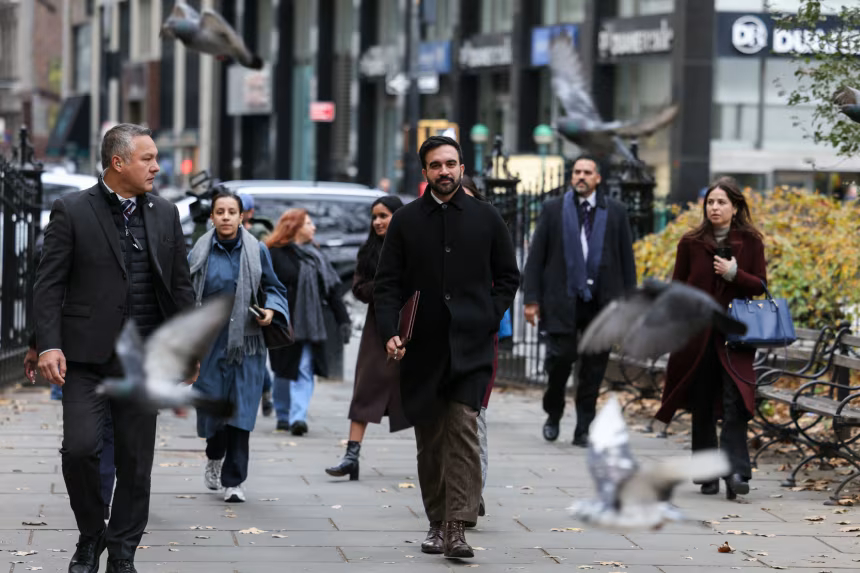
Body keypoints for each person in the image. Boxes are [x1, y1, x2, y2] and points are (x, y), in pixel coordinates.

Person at [33, 123, 195, 573]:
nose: (157, 167)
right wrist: (47, 345)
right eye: (148, 158)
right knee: (80, 450)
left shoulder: (165, 213)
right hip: (86, 358)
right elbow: (49, 284)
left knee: (136, 462)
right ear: (118, 162)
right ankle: (91, 534)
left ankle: (123, 553)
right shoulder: (72, 210)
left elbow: (180, 286)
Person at [374, 136, 519, 558]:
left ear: (461, 168)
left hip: (471, 347)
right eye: (436, 165)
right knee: (431, 440)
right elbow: (387, 284)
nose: (444, 171)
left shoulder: (486, 217)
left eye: (451, 164)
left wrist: (488, 315)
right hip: (422, 348)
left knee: (463, 431)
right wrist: (390, 331)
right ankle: (436, 523)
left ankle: (457, 527)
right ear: (424, 172)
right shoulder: (405, 221)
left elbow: (508, 277)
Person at [655, 176, 767, 500]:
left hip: (736, 334)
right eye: (711, 202)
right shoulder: (691, 242)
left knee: (736, 402)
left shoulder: (751, 241)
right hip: (698, 334)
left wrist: (734, 274)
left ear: (735, 207)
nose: (715, 208)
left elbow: (760, 285)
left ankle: (736, 472)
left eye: (721, 202)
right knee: (702, 402)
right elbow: (677, 287)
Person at [523, 154, 637, 447]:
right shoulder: (552, 209)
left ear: (598, 178)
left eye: (587, 172)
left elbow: (627, 261)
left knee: (594, 369)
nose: (581, 176)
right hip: (562, 300)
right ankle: (554, 412)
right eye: (577, 172)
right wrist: (531, 298)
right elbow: (536, 257)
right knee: (560, 360)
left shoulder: (616, 211)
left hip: (602, 303)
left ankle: (584, 427)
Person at [188, 189, 290, 503]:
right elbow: (185, 292)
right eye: (220, 212)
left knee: (241, 414)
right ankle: (214, 456)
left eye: (232, 212)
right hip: (210, 344)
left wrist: (270, 311)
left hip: (247, 344)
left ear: (241, 216)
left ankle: (234, 481)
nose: (226, 217)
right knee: (214, 417)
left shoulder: (257, 250)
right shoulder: (199, 252)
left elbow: (274, 288)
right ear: (212, 217)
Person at [325, 195, 410, 481]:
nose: (377, 222)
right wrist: (384, 287)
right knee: (365, 388)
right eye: (374, 217)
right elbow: (359, 288)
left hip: (411, 324)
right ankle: (351, 455)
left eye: (384, 216)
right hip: (378, 327)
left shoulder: (415, 247)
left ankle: (436, 457)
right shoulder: (369, 249)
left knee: (419, 393)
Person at [266, 209, 351, 435]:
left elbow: (332, 291)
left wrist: (343, 319)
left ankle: (298, 417)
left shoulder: (316, 255)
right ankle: (283, 414)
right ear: (294, 227)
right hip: (282, 323)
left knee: (304, 368)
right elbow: (264, 287)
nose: (313, 227)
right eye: (308, 223)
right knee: (282, 371)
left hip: (309, 324)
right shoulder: (274, 253)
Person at [460, 173, 493, 524]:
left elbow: (506, 279)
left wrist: (491, 314)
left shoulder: (488, 232)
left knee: (475, 418)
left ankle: (474, 492)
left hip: (480, 344)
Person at [237, 192, 274, 417]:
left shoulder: (259, 237)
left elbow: (269, 276)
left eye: (236, 211)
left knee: (253, 358)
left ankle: (265, 389)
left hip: (252, 309)